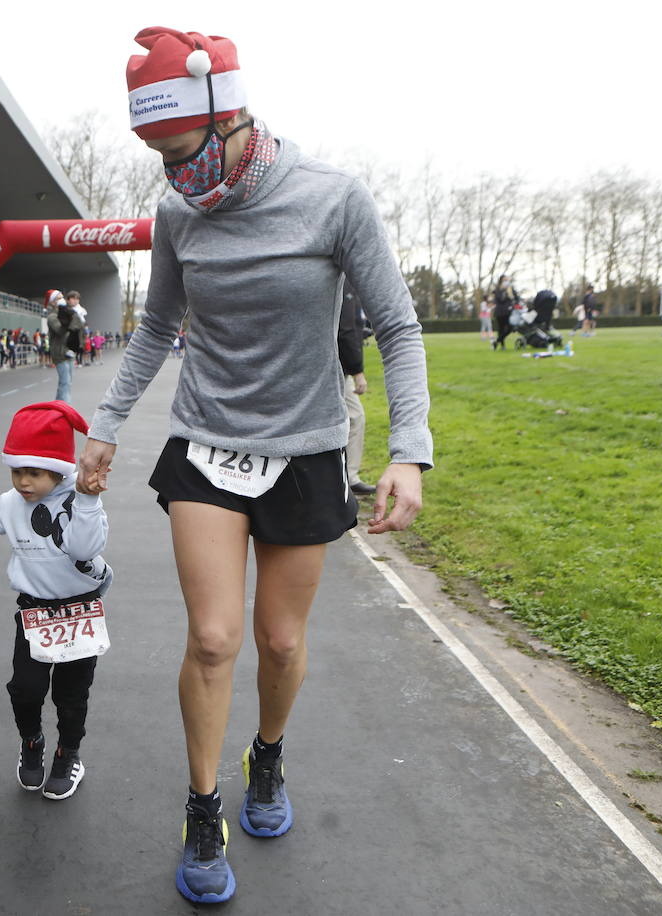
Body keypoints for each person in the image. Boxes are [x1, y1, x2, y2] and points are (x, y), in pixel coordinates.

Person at [77, 29, 430, 904]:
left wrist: (408, 450)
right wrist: (107, 424)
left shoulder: (332, 198)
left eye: (179, 149)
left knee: (279, 640)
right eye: (155, 155)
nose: (171, 171)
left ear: (226, 114)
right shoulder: (176, 216)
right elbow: (156, 328)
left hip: (307, 449)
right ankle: (203, 808)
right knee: (213, 637)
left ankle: (265, 756)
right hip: (205, 442)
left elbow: (397, 326)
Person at [0, 401, 112, 800]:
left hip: (79, 610)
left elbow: (85, 546)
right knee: (25, 689)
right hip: (33, 612)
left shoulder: (78, 497)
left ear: (58, 470)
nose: (23, 482)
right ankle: (32, 742)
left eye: (34, 472)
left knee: (71, 694)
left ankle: (68, 753)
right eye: (16, 471)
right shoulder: (13, 503)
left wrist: (87, 499)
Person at [339, 286, 376, 496]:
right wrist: (357, 370)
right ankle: (349, 478)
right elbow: (346, 329)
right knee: (355, 416)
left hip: (331, 364)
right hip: (338, 366)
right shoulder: (346, 284)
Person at [46, 289, 84, 402]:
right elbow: (60, 331)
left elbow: (78, 328)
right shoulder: (52, 317)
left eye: (62, 297)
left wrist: (74, 316)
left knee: (66, 382)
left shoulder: (68, 313)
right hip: (59, 353)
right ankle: (66, 409)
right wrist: (67, 321)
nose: (62, 300)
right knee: (65, 382)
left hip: (69, 351)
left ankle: (57, 407)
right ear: (53, 302)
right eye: (59, 298)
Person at [491, 274, 516, 350]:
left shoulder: (510, 289)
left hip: (508, 311)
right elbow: (500, 300)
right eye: (504, 280)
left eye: (507, 280)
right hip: (500, 312)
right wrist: (504, 292)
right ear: (501, 281)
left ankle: (497, 341)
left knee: (510, 328)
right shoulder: (498, 290)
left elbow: (515, 298)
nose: (506, 282)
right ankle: (502, 345)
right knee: (501, 329)